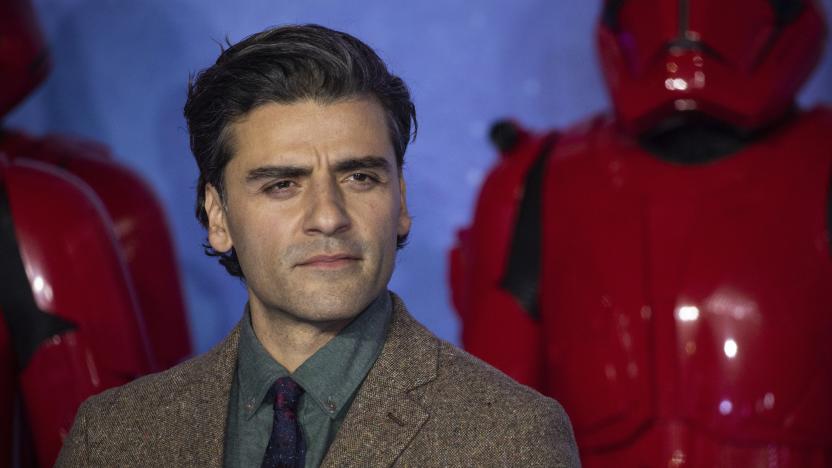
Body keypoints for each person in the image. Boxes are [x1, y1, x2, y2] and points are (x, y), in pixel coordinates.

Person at [55, 24, 579, 467]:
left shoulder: (512, 439)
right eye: (282, 184)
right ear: (219, 215)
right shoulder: (111, 439)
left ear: (400, 201)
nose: (328, 217)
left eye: (360, 178)